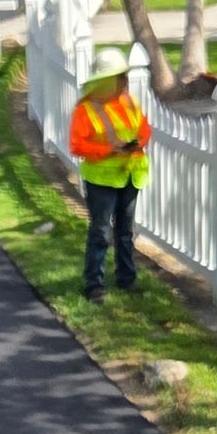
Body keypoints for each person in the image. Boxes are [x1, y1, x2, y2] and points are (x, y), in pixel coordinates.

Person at [68, 64, 153, 302]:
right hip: (102, 180)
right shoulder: (85, 110)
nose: (124, 82)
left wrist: (139, 142)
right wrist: (109, 150)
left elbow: (144, 127)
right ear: (106, 81)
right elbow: (77, 145)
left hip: (130, 175)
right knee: (101, 232)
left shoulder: (128, 102)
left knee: (125, 231)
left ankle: (126, 279)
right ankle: (94, 284)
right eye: (119, 78)